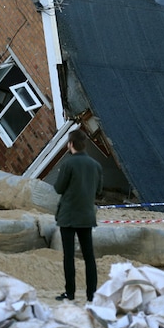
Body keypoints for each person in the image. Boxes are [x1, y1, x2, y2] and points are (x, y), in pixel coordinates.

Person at [53, 129, 104, 302]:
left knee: (69, 257)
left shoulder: (68, 164)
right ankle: (92, 294)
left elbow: (58, 188)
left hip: (68, 216)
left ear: (71, 144)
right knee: (89, 256)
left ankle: (70, 293)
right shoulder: (96, 165)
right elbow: (99, 190)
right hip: (87, 216)